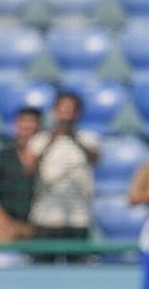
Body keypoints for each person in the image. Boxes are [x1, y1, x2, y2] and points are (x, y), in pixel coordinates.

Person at [24, 90, 100, 263]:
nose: (66, 115)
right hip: (46, 217)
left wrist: (74, 137)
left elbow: (95, 158)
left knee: (78, 268)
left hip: (78, 217)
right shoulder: (40, 140)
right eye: (63, 110)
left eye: (71, 110)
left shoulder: (88, 138)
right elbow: (29, 169)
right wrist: (52, 139)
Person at [0, 107, 41, 243]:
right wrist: (9, 224)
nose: (28, 127)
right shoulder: (2, 158)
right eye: (24, 122)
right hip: (8, 226)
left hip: (43, 226)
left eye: (32, 122)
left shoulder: (50, 158)